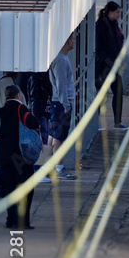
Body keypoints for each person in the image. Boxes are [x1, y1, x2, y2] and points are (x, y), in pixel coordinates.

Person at [0, 85, 40, 229]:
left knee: (10, 188)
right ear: (17, 95)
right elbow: (33, 123)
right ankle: (22, 221)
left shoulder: (3, 110)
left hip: (5, 155)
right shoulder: (20, 108)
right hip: (20, 155)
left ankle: (10, 220)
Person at [48, 34, 77, 180]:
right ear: (66, 41)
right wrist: (66, 105)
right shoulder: (60, 59)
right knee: (59, 136)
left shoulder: (61, 58)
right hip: (60, 103)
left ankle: (48, 164)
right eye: (72, 38)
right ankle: (59, 167)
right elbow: (61, 85)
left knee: (53, 134)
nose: (74, 41)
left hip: (58, 103)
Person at [95, 1, 126, 130]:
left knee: (118, 91)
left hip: (113, 65)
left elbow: (116, 43)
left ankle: (117, 121)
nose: (119, 15)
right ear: (110, 12)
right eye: (117, 12)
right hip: (104, 66)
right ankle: (96, 123)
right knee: (101, 95)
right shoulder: (101, 26)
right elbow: (100, 47)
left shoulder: (114, 25)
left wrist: (122, 35)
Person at [0, 72, 22, 191]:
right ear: (16, 75)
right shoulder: (16, 90)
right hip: (7, 131)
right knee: (6, 161)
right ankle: (3, 188)